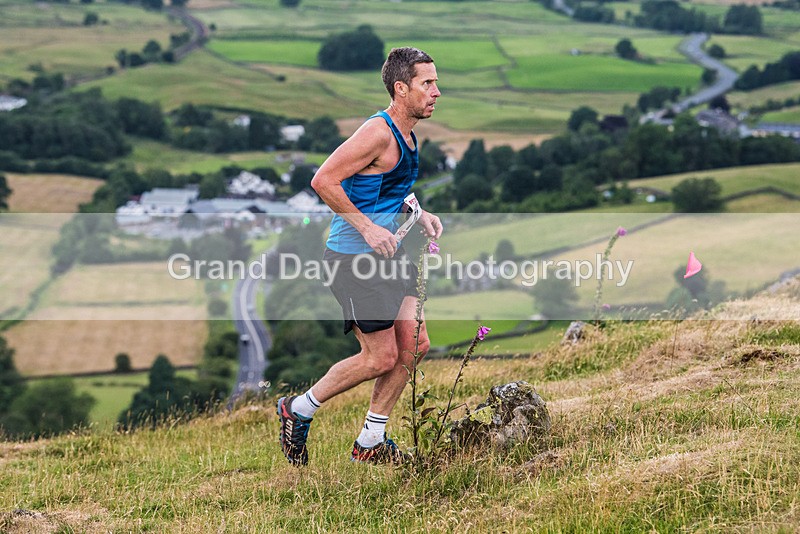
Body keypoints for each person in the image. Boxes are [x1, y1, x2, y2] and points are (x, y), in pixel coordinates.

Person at [277, 47, 443, 466]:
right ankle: (298, 408)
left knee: (415, 345)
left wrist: (418, 213)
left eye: (435, 82)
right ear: (400, 88)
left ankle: (370, 440)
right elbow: (324, 179)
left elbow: (388, 186)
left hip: (388, 253)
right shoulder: (378, 132)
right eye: (427, 83)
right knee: (380, 357)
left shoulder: (407, 133)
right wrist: (367, 227)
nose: (437, 91)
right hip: (353, 260)